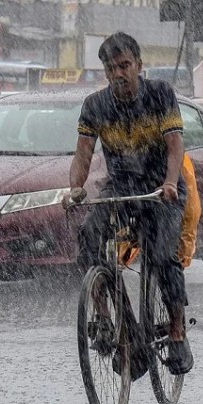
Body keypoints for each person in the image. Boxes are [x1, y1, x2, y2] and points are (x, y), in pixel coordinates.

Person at [65, 32, 193, 375]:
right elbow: (82, 154)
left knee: (163, 256)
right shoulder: (95, 106)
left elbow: (175, 144)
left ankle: (178, 332)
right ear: (105, 71)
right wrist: (76, 188)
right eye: (111, 68)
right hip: (122, 187)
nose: (118, 73)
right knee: (90, 236)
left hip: (161, 188)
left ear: (139, 65)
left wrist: (168, 182)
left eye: (125, 65)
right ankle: (107, 319)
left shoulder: (160, 94)